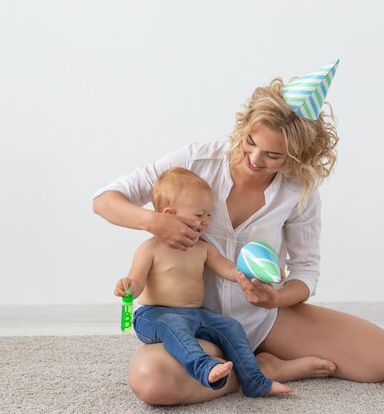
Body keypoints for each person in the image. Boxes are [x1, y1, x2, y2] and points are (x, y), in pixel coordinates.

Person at [92, 63, 384, 405]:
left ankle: (252, 364)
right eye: (250, 143)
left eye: (273, 155)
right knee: (151, 382)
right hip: (197, 324)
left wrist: (276, 298)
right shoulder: (196, 161)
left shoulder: (297, 192)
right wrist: (154, 222)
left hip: (265, 320)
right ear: (244, 127)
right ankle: (260, 371)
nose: (255, 159)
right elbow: (104, 200)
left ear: (296, 155)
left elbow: (306, 271)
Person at [113, 167, 291, 398]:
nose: (206, 221)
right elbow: (136, 283)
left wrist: (253, 272)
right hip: (155, 315)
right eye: (199, 215)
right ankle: (204, 367)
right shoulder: (151, 249)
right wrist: (127, 286)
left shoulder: (202, 248)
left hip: (196, 314)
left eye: (209, 215)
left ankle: (255, 382)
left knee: (231, 327)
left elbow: (228, 268)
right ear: (169, 213)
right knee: (173, 326)